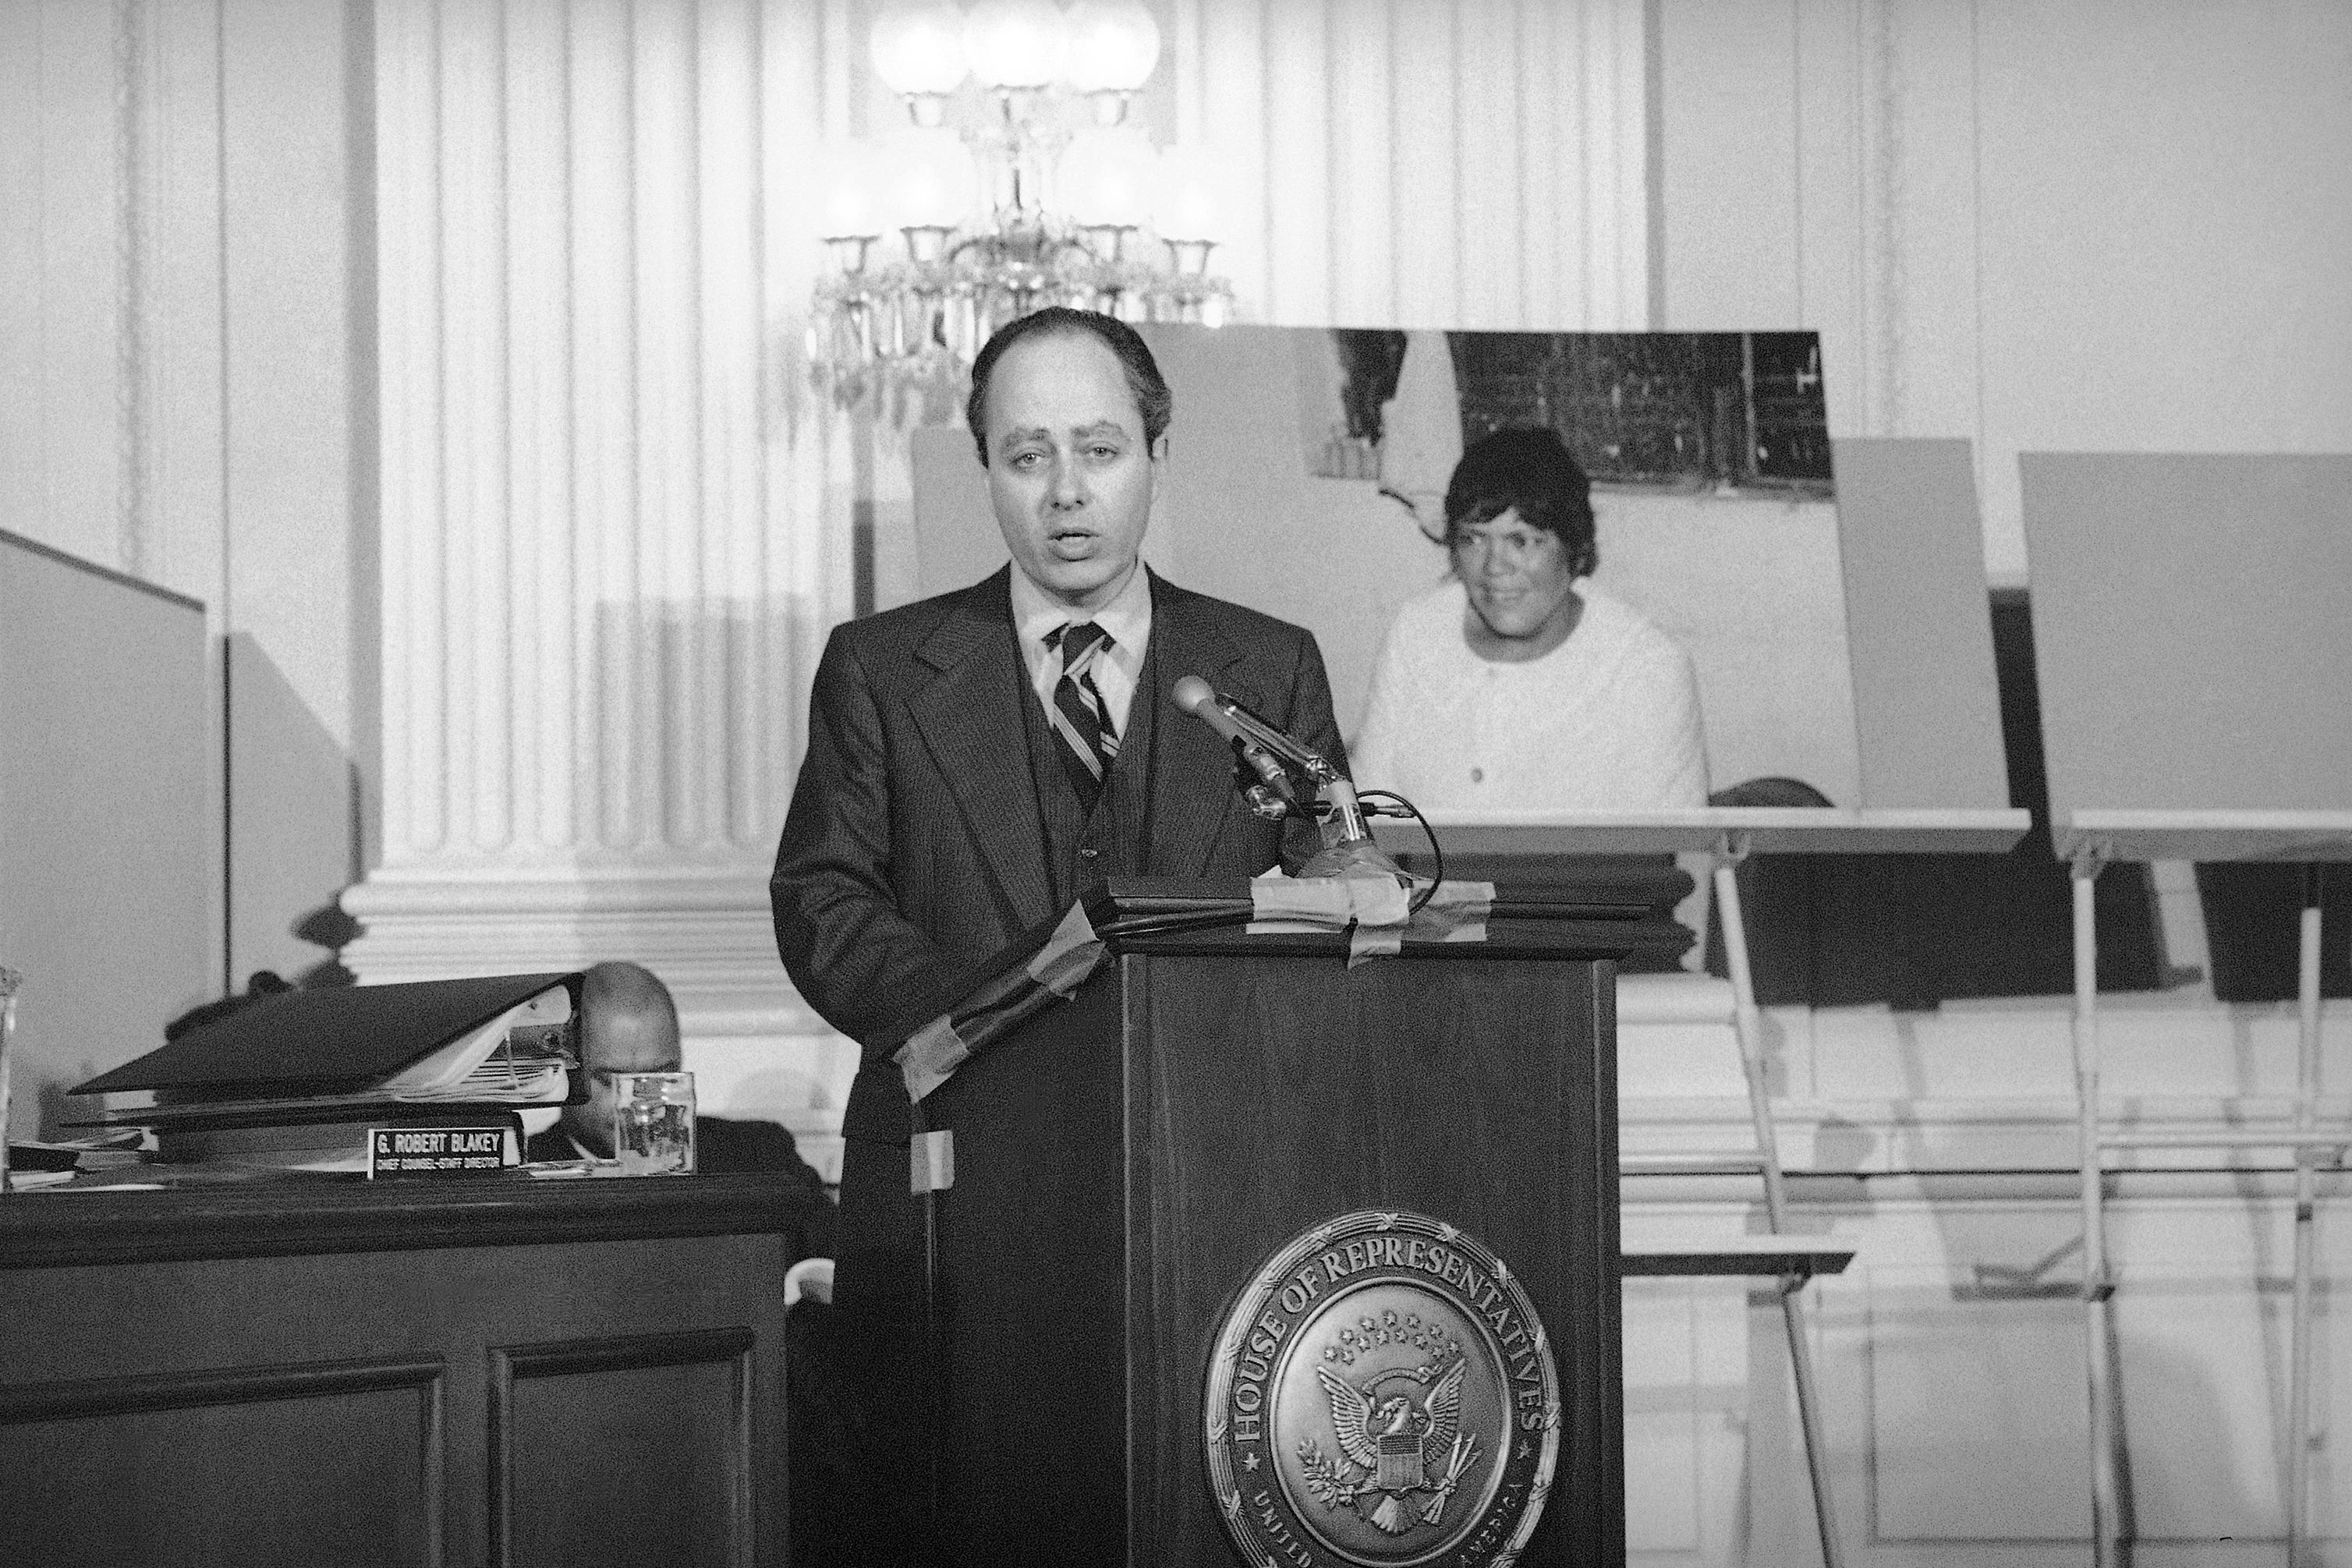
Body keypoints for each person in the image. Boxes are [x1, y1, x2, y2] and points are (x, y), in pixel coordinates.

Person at [768, 306, 1344, 1551]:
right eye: (1028, 456)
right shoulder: (880, 665)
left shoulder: (1266, 668)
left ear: (1156, 451)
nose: (1067, 493)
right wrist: (1000, 1021)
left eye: (1099, 449)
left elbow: (1325, 896)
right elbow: (821, 897)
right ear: (984, 469)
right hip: (948, 1192)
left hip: (1205, 1187)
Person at [1349, 425, 1709, 809]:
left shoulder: (1647, 667)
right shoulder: (1416, 632)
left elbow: (1669, 851)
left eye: (1521, 541)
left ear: (1572, 548)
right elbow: (1366, 815)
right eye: (1474, 538)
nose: (1494, 566)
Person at [525, 961, 834, 1255]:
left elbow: (835, 1265)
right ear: (563, 1071)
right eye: (612, 1080)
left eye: (659, 1077)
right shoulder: (521, 1177)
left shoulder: (759, 1158)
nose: (639, 1104)